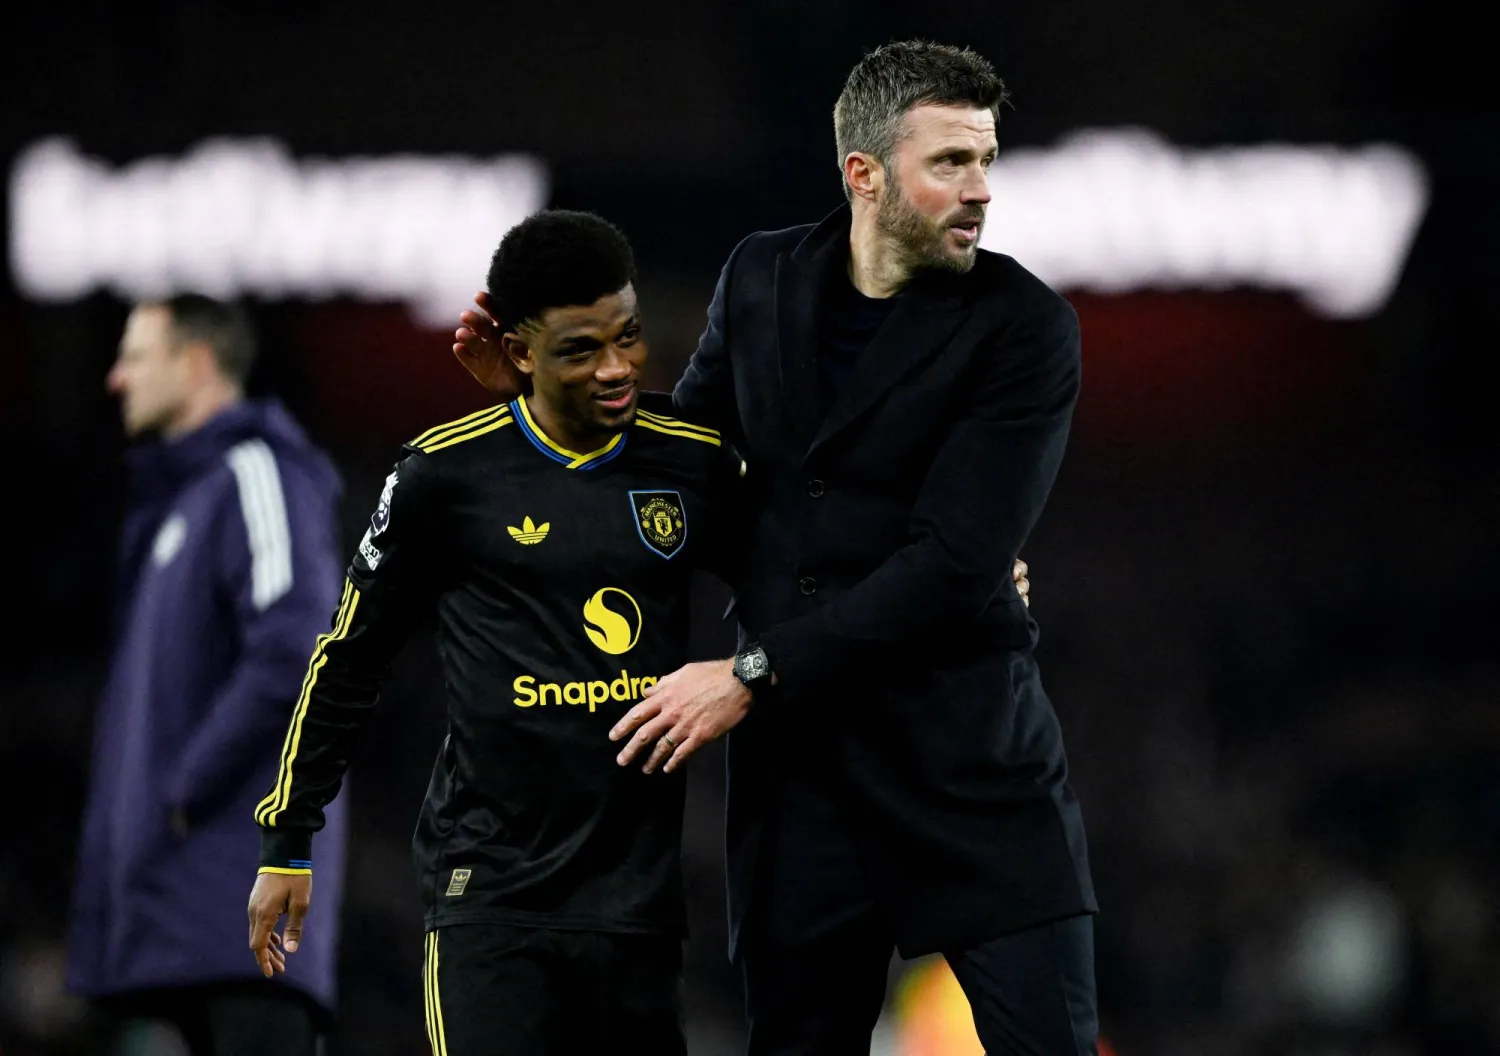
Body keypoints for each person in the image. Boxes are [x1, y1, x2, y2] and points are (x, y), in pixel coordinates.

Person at [455, 37, 1096, 1056]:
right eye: (951, 163)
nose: (981, 191)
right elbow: (686, 475)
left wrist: (753, 670)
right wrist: (554, 404)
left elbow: (957, 565)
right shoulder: (762, 278)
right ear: (864, 174)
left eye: (987, 161)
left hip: (968, 769)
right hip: (804, 786)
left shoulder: (1023, 327)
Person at [245, 210, 749, 1056]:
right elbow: (347, 660)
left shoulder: (688, 459)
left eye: (626, 337)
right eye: (581, 350)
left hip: (638, 906)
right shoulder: (444, 476)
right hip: (491, 895)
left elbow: (816, 567)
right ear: (518, 354)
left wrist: (974, 567)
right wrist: (287, 837)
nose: (618, 367)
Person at [66, 294, 348, 1055]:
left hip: (240, 925)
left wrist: (179, 791)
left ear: (195, 365)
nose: (117, 380)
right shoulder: (181, 506)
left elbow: (298, 650)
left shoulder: (256, 473)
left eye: (135, 357)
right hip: (180, 930)